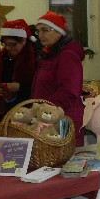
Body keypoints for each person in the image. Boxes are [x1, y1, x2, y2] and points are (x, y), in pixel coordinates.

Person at [31, 11, 85, 146]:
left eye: (45, 30)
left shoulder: (67, 55)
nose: (40, 35)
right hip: (48, 117)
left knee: (63, 157)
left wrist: (44, 108)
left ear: (59, 32)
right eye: (38, 31)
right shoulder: (49, 54)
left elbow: (69, 91)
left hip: (62, 118)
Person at [0, 19, 36, 121]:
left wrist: (20, 87)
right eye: (5, 44)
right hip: (3, 111)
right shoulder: (2, 57)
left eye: (13, 44)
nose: (8, 48)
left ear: (23, 41)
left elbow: (39, 86)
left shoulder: (34, 57)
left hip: (26, 111)